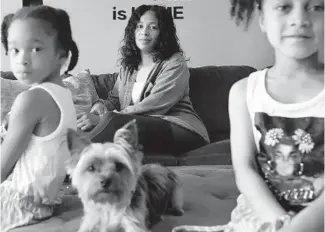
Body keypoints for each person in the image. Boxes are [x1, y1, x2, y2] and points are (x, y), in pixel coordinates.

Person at [172, 0, 324, 231]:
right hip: (261, 218)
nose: (300, 19)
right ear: (263, 19)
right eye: (284, 7)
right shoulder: (244, 91)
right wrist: (279, 222)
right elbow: (245, 169)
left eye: (316, 7)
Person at [77, 4, 210, 154]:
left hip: (181, 129)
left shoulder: (174, 62)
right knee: (97, 126)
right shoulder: (128, 67)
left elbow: (155, 105)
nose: (144, 32)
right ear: (132, 31)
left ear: (163, 33)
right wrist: (100, 108)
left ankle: (74, 158)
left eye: (153, 27)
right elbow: (114, 100)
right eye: (139, 26)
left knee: (115, 124)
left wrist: (104, 119)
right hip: (138, 126)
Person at [0, 5, 79, 231]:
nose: (22, 60)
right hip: (43, 204)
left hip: (18, 206)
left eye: (35, 49)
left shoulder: (32, 99)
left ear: (61, 54)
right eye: (14, 50)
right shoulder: (63, 95)